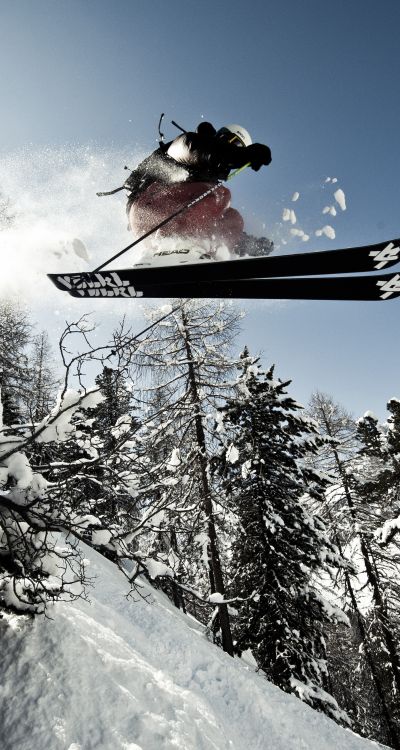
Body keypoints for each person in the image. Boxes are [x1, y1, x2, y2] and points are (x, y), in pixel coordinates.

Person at [125, 121, 273, 256]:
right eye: (232, 142)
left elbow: (216, 223)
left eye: (239, 147)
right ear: (221, 136)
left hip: (166, 221)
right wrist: (244, 154)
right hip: (148, 206)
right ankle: (172, 246)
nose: (233, 148)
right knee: (220, 195)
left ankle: (206, 259)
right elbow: (203, 150)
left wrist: (247, 243)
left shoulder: (207, 182)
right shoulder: (190, 142)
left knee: (233, 218)